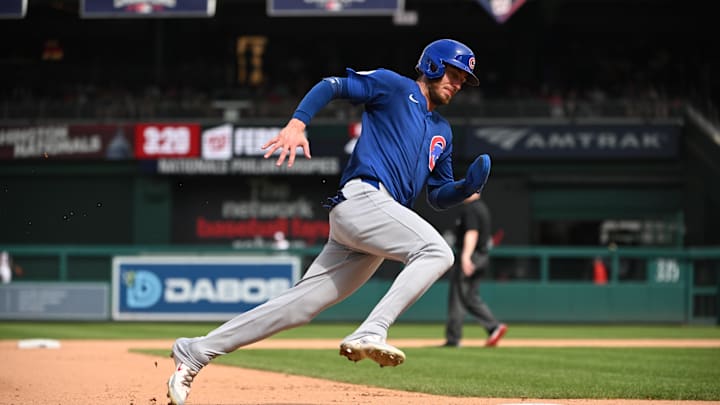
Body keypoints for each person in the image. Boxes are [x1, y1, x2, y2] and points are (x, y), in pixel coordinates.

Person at [166, 38, 492, 405]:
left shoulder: (442, 131)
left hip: (375, 221)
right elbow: (332, 85)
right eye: (455, 73)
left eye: (464, 79)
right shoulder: (395, 86)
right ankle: (373, 329)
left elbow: (437, 195)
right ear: (432, 65)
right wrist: (297, 123)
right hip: (364, 198)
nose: (460, 82)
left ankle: (195, 351)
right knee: (437, 252)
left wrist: (465, 187)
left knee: (298, 307)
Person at [443, 194, 507, 347]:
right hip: (481, 256)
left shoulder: (471, 209)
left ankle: (453, 338)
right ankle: (493, 327)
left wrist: (466, 256)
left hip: (471, 256)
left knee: (458, 296)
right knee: (470, 297)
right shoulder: (481, 207)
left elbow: (472, 232)